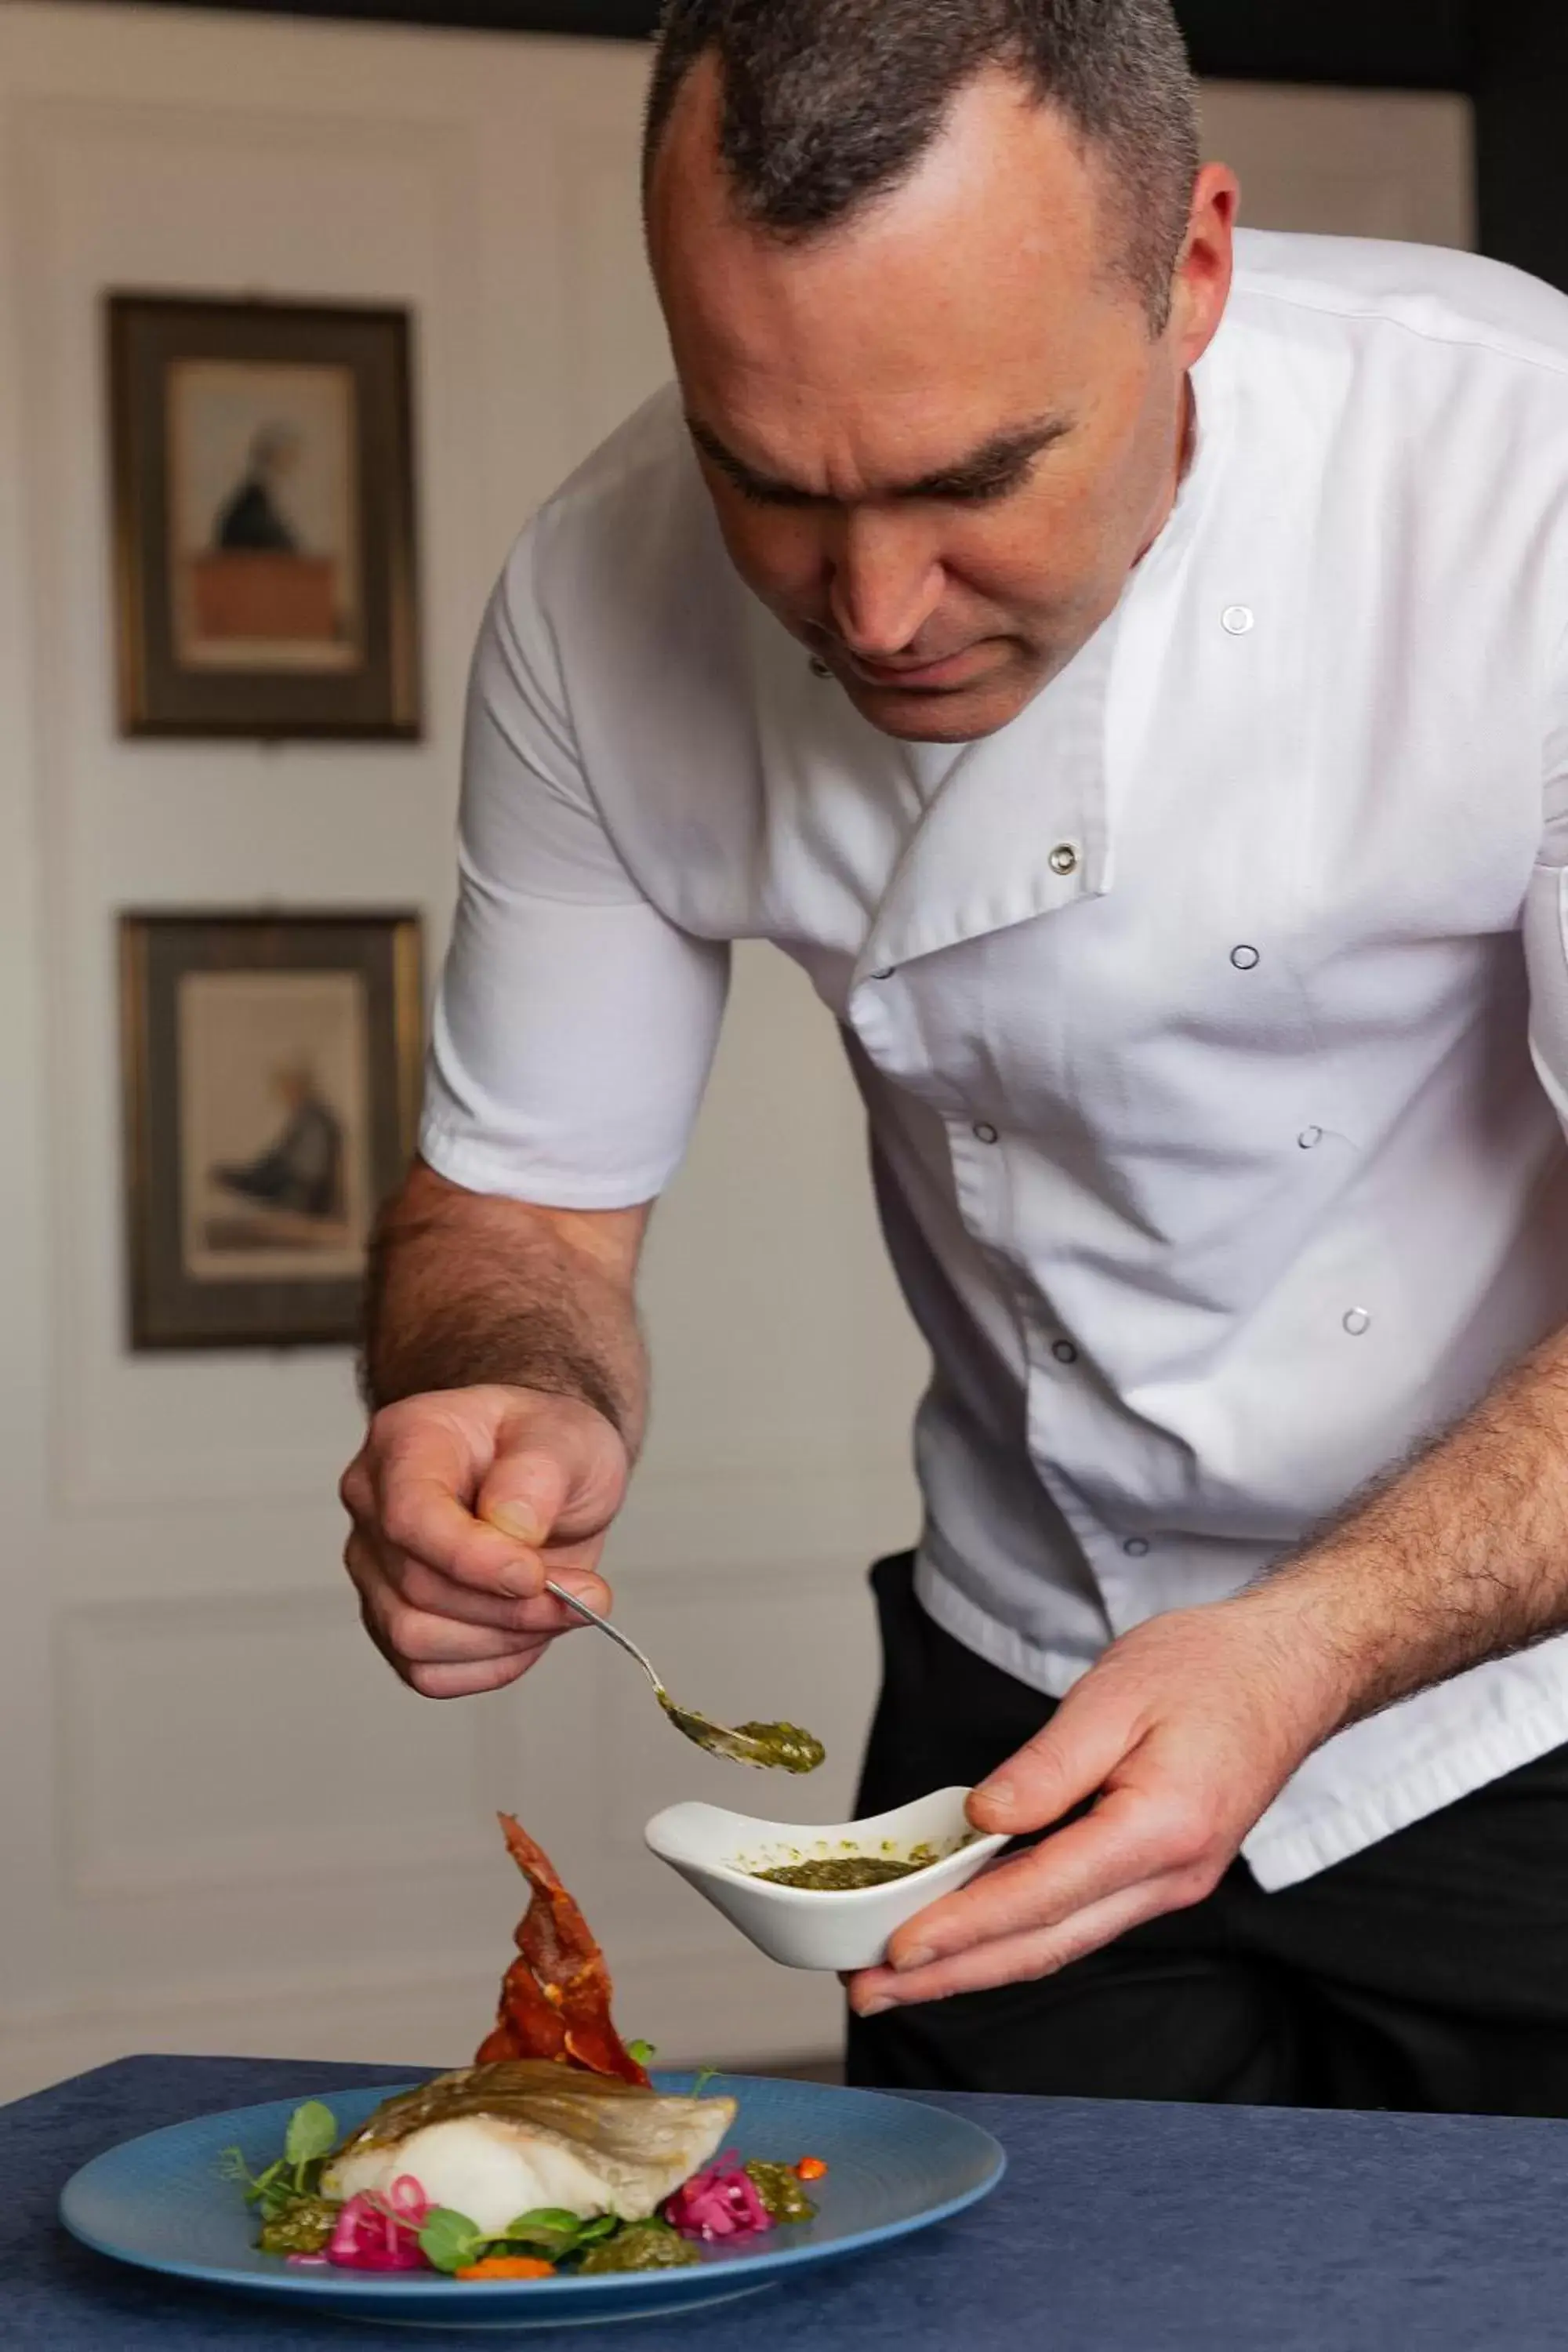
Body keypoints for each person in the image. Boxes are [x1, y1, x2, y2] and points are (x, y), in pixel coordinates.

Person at [339, 0, 1568, 2113]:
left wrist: (1304, 1648)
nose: (879, 607)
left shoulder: (1520, 487)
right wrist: (495, 1386)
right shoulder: (593, 589)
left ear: (1191, 271)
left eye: (973, 480)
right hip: (1015, 1683)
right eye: (771, 484)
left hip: (1520, 1694)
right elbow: (521, 1201)